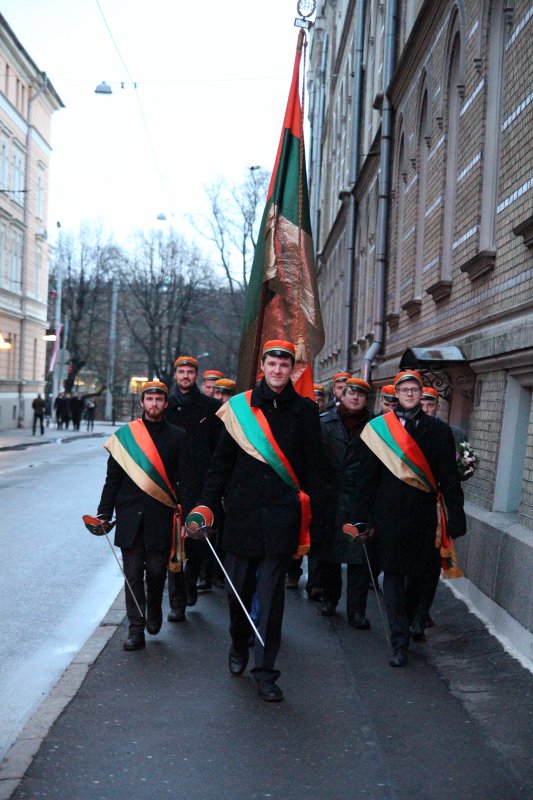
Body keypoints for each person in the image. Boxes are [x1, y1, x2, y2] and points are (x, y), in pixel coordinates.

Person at [196, 339, 325, 702]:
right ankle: (239, 641)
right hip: (241, 519)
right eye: (272, 363)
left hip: (282, 519)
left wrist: (320, 516)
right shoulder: (239, 409)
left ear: (291, 369)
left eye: (285, 364)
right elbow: (219, 466)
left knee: (270, 603)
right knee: (238, 600)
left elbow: (314, 468)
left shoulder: (305, 411)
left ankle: (266, 671)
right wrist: (206, 505)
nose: (278, 370)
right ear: (263, 367)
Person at [350, 370, 466, 667]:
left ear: (420, 393)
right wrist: (361, 518)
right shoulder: (378, 430)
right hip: (387, 514)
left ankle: (414, 619)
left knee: (418, 575)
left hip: (423, 515)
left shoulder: (439, 431)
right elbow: (366, 479)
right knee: (393, 576)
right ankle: (398, 642)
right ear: (396, 395)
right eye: (405, 389)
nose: (410, 394)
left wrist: (456, 516)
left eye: (415, 389)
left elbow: (449, 479)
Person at [96, 381, 189, 651]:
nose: (154, 404)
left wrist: (188, 511)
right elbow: (112, 480)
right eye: (149, 399)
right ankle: (136, 630)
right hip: (130, 518)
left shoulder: (178, 436)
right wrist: (104, 512)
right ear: (142, 403)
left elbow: (185, 478)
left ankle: (154, 609)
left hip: (162, 517)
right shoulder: (125, 438)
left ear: (165, 403)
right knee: (133, 574)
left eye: (159, 399)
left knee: (158, 572)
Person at [165, 355, 222, 619]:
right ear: (175, 375)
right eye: (181, 372)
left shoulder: (210, 407)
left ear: (195, 376)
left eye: (190, 372)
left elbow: (218, 448)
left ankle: (192, 582)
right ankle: (177, 602)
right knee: (174, 546)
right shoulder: (166, 406)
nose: (186, 376)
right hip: (171, 485)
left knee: (197, 543)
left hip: (200, 485)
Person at [318, 378, 374, 628]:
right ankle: (330, 598)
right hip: (329, 499)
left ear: (366, 400)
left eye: (361, 395)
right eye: (352, 393)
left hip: (360, 499)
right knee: (329, 555)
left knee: (359, 558)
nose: (355, 398)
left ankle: (356, 611)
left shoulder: (376, 428)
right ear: (342, 395)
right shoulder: (325, 423)